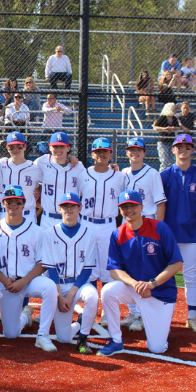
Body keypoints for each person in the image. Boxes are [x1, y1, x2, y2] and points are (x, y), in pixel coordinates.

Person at [97, 190, 183, 357]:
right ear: (119, 210)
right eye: (124, 207)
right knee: (108, 291)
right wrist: (135, 284)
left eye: (133, 206)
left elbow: (176, 263)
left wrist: (152, 283)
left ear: (141, 207)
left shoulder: (159, 227)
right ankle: (115, 340)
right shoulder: (117, 233)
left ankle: (163, 331)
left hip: (160, 292)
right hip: (135, 290)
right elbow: (114, 271)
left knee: (156, 348)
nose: (129, 210)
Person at [0, 186, 59, 351]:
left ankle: (43, 335)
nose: (13, 205)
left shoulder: (36, 230)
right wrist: (3, 279)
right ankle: (25, 317)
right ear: (3, 204)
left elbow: (43, 263)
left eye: (17, 202)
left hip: (30, 281)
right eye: (9, 202)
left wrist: (24, 281)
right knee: (11, 334)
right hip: (7, 284)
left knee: (50, 287)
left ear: (23, 204)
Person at [159, 133, 196, 333]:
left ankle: (192, 316)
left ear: (193, 150)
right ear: (173, 150)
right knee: (164, 275)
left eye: (187, 147)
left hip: (191, 234)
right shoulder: (164, 175)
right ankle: (163, 315)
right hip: (169, 235)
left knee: (191, 276)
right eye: (179, 147)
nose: (183, 150)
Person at [79, 137, 128, 341]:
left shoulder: (119, 177)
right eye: (98, 152)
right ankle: (89, 310)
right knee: (88, 268)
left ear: (111, 154)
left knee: (109, 270)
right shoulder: (83, 174)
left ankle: (108, 313)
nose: (101, 155)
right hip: (87, 223)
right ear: (92, 154)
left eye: (105, 151)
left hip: (109, 224)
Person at [120, 136, 167, 334]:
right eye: (131, 150)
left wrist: (159, 228)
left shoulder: (152, 173)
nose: (135, 153)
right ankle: (133, 311)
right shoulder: (122, 173)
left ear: (145, 153)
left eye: (138, 150)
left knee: (145, 269)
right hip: (127, 224)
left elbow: (160, 203)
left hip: (147, 223)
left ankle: (143, 313)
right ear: (127, 153)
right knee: (128, 268)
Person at [42, 192, 100, 349]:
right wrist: (60, 297)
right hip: (58, 286)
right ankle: (79, 323)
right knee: (64, 338)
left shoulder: (89, 234)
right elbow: (51, 269)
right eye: (65, 206)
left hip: (78, 285)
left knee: (92, 295)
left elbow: (87, 270)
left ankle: (83, 337)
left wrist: (70, 295)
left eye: (72, 206)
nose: (69, 209)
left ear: (80, 209)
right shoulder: (49, 233)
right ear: (59, 209)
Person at [34, 131, 84, 231]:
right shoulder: (41, 162)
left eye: (62, 146)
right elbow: (26, 172)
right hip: (48, 219)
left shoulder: (78, 167)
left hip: (71, 219)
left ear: (68, 148)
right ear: (50, 147)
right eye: (55, 146)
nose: (58, 150)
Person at [0, 132, 41, 225]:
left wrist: (38, 192)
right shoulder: (0, 164)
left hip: (27, 214)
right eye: (11, 147)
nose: (15, 150)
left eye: (19, 147)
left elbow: (44, 184)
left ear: (25, 147)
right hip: (5, 213)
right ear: (7, 148)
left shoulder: (35, 168)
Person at [153, 102, 180, 171]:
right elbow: (155, 127)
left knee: (172, 160)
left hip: (172, 141)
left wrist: (173, 128)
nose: (176, 110)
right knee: (164, 161)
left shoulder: (174, 118)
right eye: (174, 109)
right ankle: (162, 175)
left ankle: (171, 174)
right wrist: (165, 129)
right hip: (163, 141)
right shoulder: (163, 117)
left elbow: (178, 127)